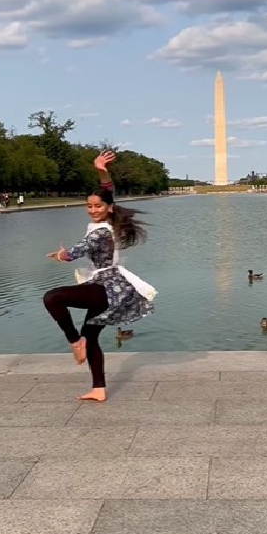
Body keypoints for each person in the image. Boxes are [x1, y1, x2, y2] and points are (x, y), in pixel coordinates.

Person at [42, 151, 156, 401]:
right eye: (89, 206)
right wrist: (101, 170)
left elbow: (76, 252)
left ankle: (73, 341)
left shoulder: (100, 232)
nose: (93, 210)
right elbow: (108, 189)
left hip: (105, 288)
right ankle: (99, 388)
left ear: (109, 209)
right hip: (114, 288)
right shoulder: (108, 223)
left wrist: (62, 255)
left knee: (52, 297)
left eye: (98, 206)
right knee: (91, 338)